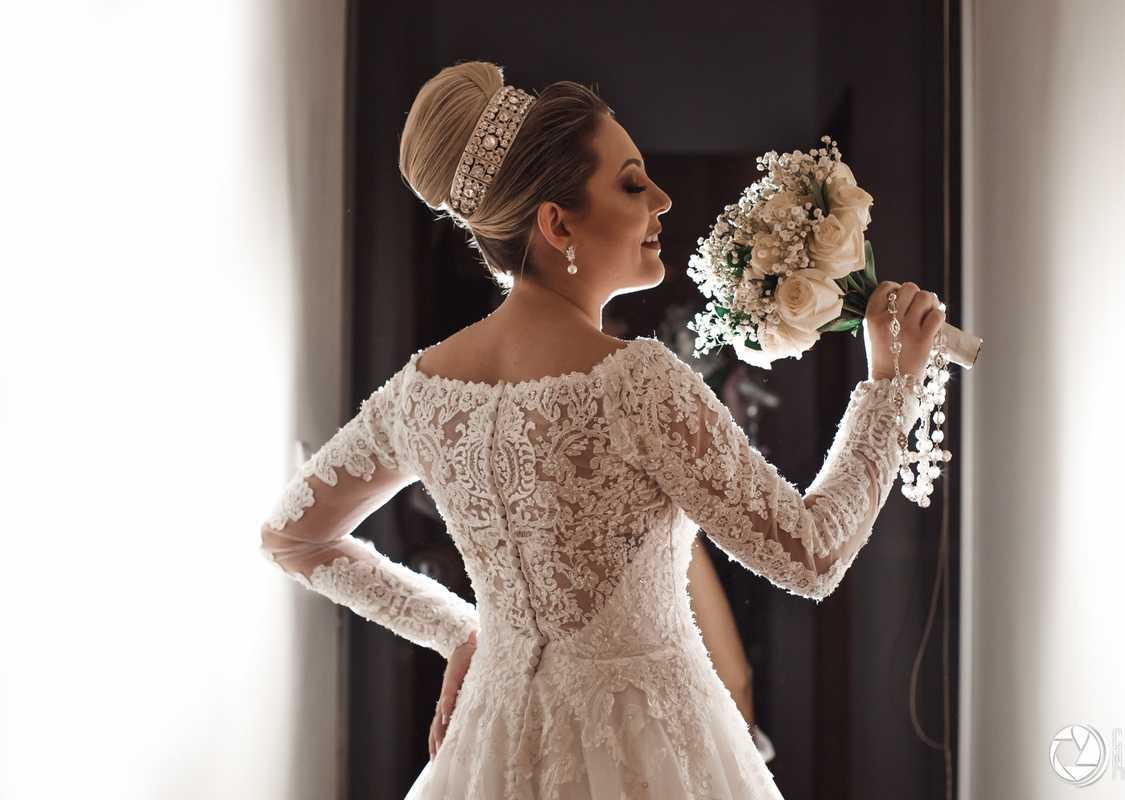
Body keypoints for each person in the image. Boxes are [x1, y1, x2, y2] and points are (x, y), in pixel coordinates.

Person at [260, 61, 944, 800]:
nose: (662, 200)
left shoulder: (420, 393)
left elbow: (293, 538)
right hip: (650, 752)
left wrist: (460, 632)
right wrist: (890, 387)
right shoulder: (635, 384)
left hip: (489, 746)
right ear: (556, 224)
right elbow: (810, 557)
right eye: (630, 182)